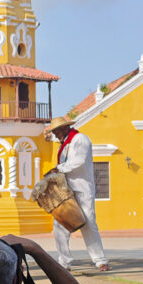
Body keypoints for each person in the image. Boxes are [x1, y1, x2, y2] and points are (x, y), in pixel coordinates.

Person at [46, 116, 110, 272]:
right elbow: (55, 144)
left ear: (65, 128)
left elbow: (79, 160)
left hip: (82, 188)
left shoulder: (80, 139)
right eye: (54, 132)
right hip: (66, 189)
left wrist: (58, 168)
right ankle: (64, 262)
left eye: (58, 131)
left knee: (88, 222)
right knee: (60, 225)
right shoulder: (65, 143)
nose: (56, 135)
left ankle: (100, 260)